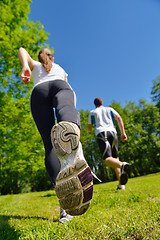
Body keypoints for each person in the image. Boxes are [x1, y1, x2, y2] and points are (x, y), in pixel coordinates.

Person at [18, 47, 93, 222]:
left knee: (49, 145)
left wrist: (25, 66)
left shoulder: (35, 65)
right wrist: (72, 113)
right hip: (61, 86)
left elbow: (22, 49)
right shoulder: (60, 69)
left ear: (39, 56)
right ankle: (71, 129)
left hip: (39, 92)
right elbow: (69, 90)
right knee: (66, 110)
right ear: (52, 56)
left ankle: (64, 205)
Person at [88, 97, 130, 190]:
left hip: (102, 133)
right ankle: (121, 185)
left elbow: (90, 127)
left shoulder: (92, 112)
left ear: (95, 104)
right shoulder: (110, 109)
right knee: (115, 159)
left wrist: (90, 127)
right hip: (113, 132)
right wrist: (123, 132)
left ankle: (122, 165)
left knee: (107, 159)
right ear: (102, 103)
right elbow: (118, 118)